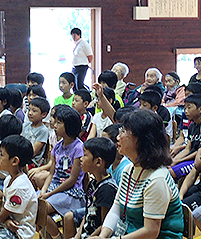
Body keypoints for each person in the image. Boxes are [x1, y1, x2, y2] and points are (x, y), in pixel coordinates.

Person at [93, 109, 183, 239]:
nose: (118, 137)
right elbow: (116, 209)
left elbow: (151, 231)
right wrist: (103, 236)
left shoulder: (157, 179)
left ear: (141, 140)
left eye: (123, 131)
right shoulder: (129, 169)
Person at [39, 105, 85, 239]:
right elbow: (52, 172)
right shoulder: (58, 145)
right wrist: (43, 190)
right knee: (32, 203)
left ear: (69, 126)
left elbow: (72, 179)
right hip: (54, 187)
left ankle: (57, 236)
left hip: (71, 191)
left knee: (41, 208)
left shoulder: (78, 147)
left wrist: (49, 194)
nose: (55, 125)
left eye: (59, 122)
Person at [64, 137, 117, 239]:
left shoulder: (107, 189)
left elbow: (105, 224)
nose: (81, 159)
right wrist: (77, 237)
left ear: (98, 162)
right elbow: (87, 214)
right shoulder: (92, 183)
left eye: (85, 155)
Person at [169, 94, 201, 179]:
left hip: (197, 160)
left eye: (189, 108)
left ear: (200, 109)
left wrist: (179, 161)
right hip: (189, 159)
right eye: (185, 108)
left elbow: (198, 152)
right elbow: (188, 149)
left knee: (170, 172)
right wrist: (173, 161)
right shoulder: (192, 126)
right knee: (166, 167)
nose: (185, 111)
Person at [22, 97, 50, 168]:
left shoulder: (43, 130)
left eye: (34, 111)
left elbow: (33, 152)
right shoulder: (25, 125)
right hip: (21, 157)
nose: (30, 113)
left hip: (32, 162)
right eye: (29, 110)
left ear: (43, 115)